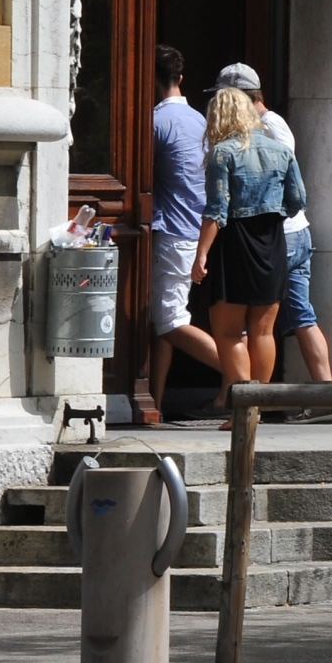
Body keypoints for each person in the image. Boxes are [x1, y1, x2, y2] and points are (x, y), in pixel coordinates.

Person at [217, 63, 332, 424]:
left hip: (274, 237)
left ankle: (243, 403)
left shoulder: (264, 129)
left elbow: (273, 187)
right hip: (296, 232)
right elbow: (296, 193)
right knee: (299, 315)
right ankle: (327, 393)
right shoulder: (278, 125)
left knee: (246, 322)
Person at [192, 85, 306, 427]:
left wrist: (201, 254)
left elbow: (216, 210)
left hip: (234, 243)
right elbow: (298, 198)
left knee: (228, 333)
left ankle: (241, 413)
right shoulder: (280, 150)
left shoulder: (222, 153)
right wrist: (271, 215)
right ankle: (256, 408)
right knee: (263, 331)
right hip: (272, 242)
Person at [147, 46, 222, 414]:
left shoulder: (156, 122)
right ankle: (154, 404)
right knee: (163, 320)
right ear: (180, 78)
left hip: (171, 232)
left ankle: (243, 375)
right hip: (196, 232)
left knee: (170, 321)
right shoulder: (200, 122)